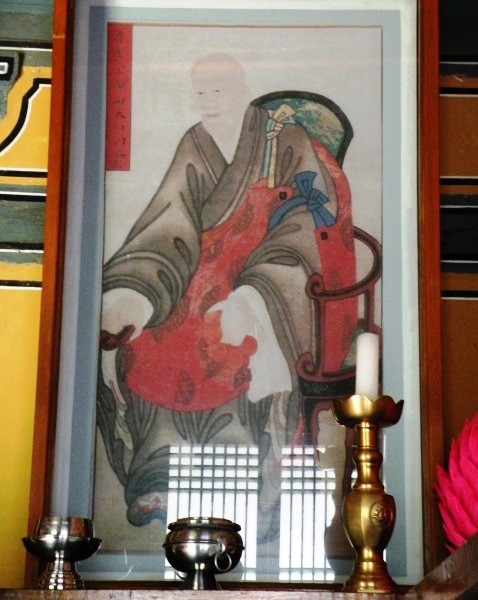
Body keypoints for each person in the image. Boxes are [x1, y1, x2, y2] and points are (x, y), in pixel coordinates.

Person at [98, 53, 357, 554]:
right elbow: (167, 222)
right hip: (195, 277)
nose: (208, 101)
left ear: (242, 88)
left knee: (227, 335)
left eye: (219, 91)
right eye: (200, 92)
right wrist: (135, 292)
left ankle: (238, 468)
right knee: (149, 338)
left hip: (266, 275)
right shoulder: (195, 142)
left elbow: (307, 226)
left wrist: (257, 296)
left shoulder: (287, 141)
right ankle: (160, 467)